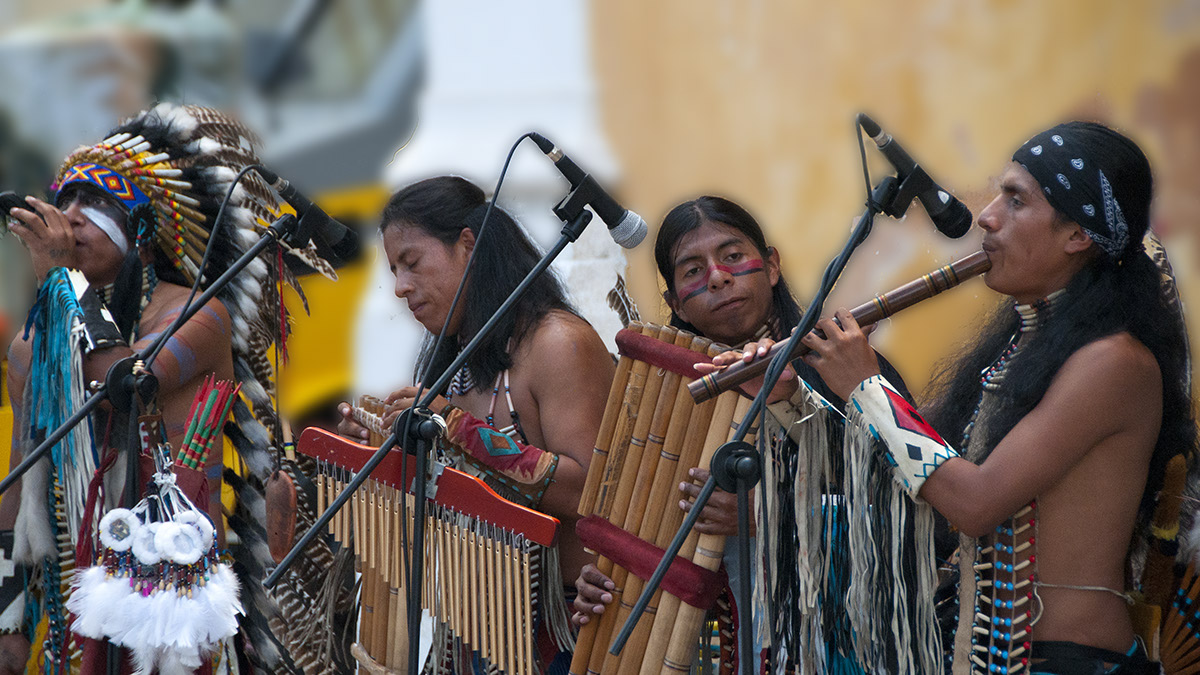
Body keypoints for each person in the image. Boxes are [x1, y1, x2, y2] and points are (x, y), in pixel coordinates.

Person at [756, 122, 1190, 673]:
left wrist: (869, 387)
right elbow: (919, 482)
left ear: (1078, 235)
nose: (986, 216)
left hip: (1067, 661)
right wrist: (792, 400)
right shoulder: (1025, 349)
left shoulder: (1116, 362)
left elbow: (976, 503)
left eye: (1015, 200)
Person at [0, 103, 344, 674]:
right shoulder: (31, 347)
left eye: (98, 203)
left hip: (170, 599)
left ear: (145, 228)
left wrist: (61, 276)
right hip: (74, 595)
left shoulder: (195, 318)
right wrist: (8, 616)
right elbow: (19, 470)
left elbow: (119, 383)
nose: (72, 217)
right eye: (65, 201)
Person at [570, 196, 913, 671]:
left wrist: (769, 514)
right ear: (676, 306)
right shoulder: (661, 405)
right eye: (692, 271)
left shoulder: (844, 369)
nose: (717, 276)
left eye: (733, 257)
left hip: (834, 644)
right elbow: (649, 530)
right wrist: (612, 580)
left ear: (771, 266)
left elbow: (912, 516)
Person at [335, 175, 616, 671]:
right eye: (394, 270)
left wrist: (453, 425)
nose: (400, 287)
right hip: (480, 625)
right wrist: (381, 448)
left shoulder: (555, 343)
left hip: (568, 630)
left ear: (467, 245)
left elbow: (589, 493)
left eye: (412, 263)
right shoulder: (457, 363)